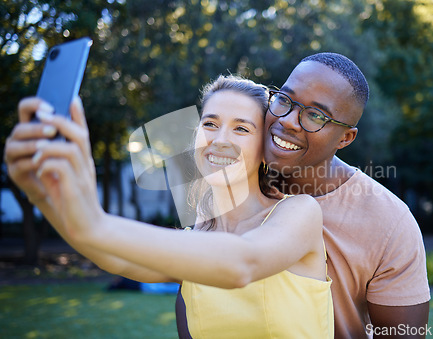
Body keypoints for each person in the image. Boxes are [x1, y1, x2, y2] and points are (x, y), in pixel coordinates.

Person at [4, 75, 334, 338]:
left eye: (241, 128)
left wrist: (95, 220)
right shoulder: (195, 240)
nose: (219, 139)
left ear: (264, 148)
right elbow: (111, 255)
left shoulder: (299, 213)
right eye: (210, 124)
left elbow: (242, 263)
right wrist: (46, 198)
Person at [173, 53, 431, 338]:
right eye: (285, 99)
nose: (291, 121)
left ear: (345, 139)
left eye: (316, 115)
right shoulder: (229, 187)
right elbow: (194, 301)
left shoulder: (389, 222)